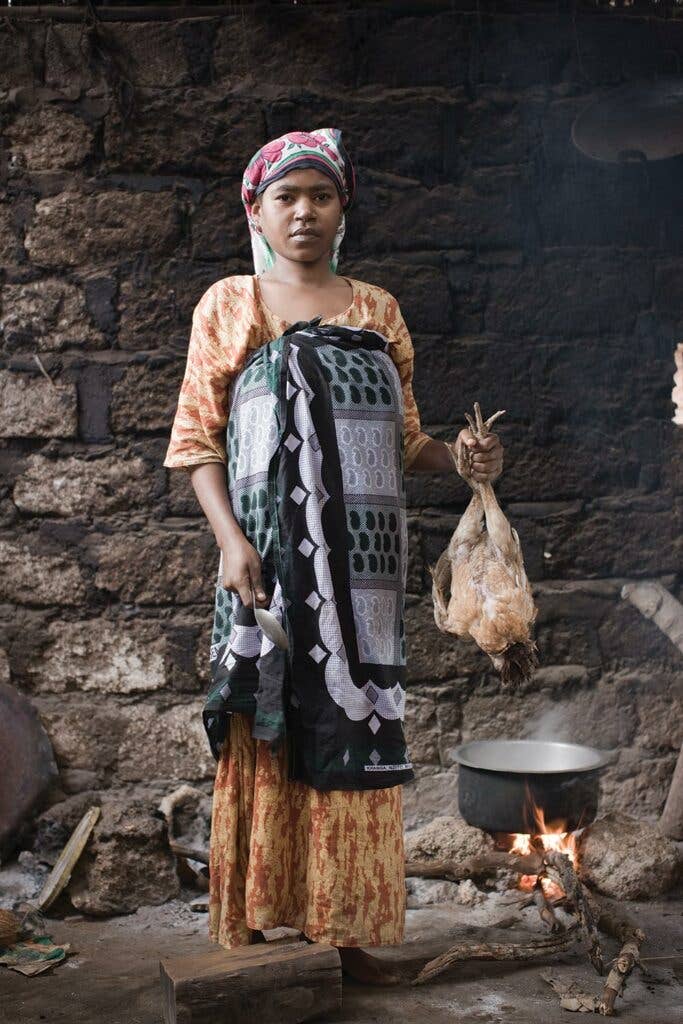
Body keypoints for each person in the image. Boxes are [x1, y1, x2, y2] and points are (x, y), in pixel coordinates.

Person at [163, 128, 503, 985]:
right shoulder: (231, 302)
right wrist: (231, 543)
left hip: (361, 571)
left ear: (342, 207)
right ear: (257, 211)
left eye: (320, 195)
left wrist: (461, 462)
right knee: (270, 726)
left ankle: (347, 934)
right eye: (286, 197)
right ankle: (269, 924)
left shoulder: (376, 308)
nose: (303, 211)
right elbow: (196, 442)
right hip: (266, 560)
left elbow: (409, 441)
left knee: (355, 726)